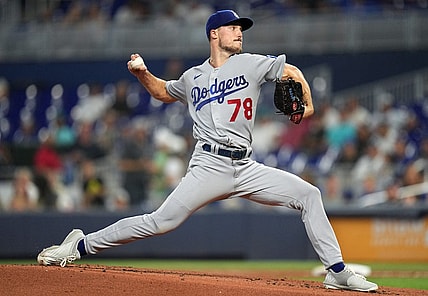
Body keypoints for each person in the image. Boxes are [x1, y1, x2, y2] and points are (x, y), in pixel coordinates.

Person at [37, 10, 378, 292]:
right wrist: (143, 74)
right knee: (159, 222)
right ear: (214, 34)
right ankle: (79, 245)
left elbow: (291, 71)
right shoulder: (192, 77)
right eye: (233, 28)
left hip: (247, 167)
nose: (239, 32)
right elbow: (161, 92)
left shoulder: (253, 63)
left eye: (240, 28)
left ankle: (336, 271)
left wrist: (306, 102)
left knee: (309, 194)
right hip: (207, 165)